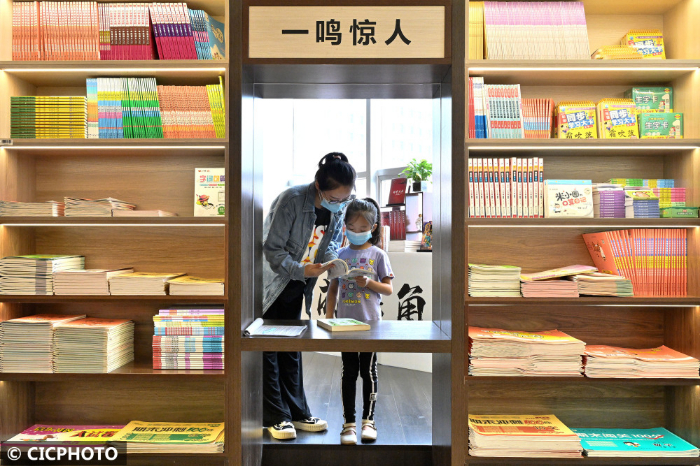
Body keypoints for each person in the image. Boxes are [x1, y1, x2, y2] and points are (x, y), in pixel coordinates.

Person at [262, 152, 356, 440]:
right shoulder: (291, 200)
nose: (339, 205)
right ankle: (275, 417)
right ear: (318, 186)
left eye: (345, 199)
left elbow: (330, 246)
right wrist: (302, 270)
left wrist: (332, 263)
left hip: (300, 285)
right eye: (335, 198)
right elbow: (272, 250)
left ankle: (298, 413)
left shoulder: (337, 209)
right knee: (268, 349)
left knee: (291, 348)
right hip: (273, 285)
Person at [325, 198, 394, 445]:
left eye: (362, 228)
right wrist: (328, 318)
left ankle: (369, 421)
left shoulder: (378, 255)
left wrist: (369, 283)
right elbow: (332, 289)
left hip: (370, 325)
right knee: (349, 372)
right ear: (345, 226)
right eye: (352, 228)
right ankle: (349, 424)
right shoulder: (340, 255)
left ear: (372, 228)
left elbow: (388, 289)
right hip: (344, 326)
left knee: (369, 371)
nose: (356, 232)